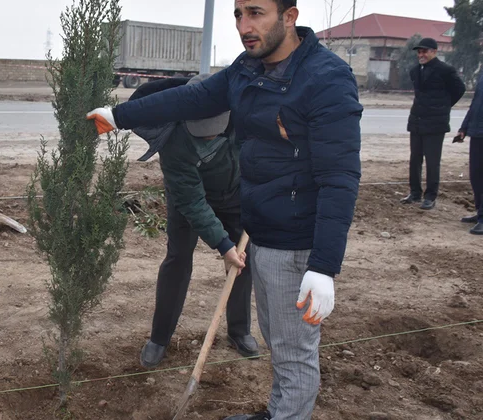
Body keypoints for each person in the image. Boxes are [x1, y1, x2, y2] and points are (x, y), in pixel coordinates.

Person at [86, 1, 362, 418]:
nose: (243, 26)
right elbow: (191, 97)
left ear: (290, 16)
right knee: (278, 342)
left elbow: (339, 177)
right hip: (264, 231)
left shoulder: (325, 79)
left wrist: (323, 265)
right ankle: (278, 412)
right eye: (238, 14)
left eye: (256, 13)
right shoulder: (248, 68)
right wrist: (119, 114)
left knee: (294, 354)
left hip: (297, 243)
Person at [130, 74, 259, 369]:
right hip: (188, 198)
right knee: (177, 259)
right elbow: (192, 202)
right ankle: (160, 338)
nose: (208, 136)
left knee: (242, 260)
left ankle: (239, 331)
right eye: (200, 131)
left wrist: (231, 248)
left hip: (236, 193)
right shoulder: (173, 141)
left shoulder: (246, 116)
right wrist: (221, 245)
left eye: (213, 130)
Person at [400, 37, 466, 210]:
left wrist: (443, 106)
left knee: (432, 160)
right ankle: (415, 193)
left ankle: (430, 196)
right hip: (417, 120)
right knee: (415, 159)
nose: (421, 55)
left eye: (425, 51)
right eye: (419, 52)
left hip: (435, 123)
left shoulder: (445, 70)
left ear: (434, 52)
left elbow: (460, 89)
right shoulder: (415, 70)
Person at [456, 71, 483, 235]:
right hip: (477, 132)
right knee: (476, 175)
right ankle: (480, 212)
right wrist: (464, 127)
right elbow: (475, 103)